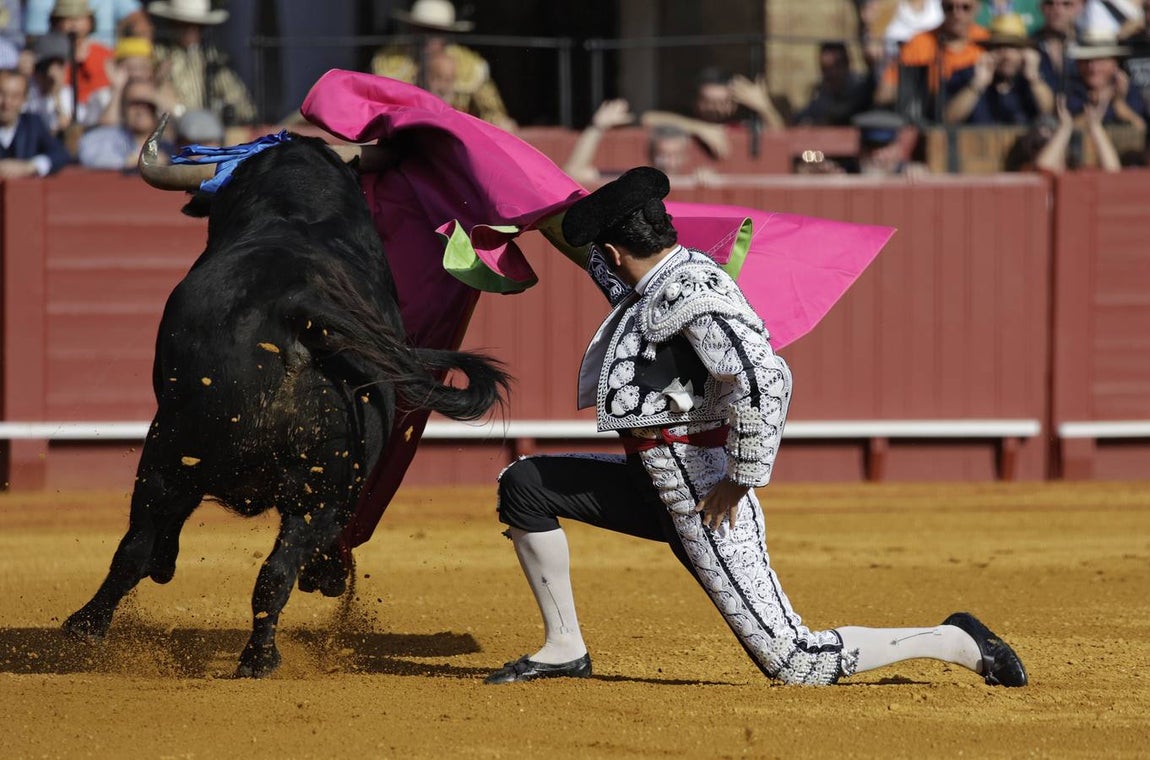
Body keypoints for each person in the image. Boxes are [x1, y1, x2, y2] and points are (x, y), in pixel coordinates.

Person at [483, 166, 1027, 688]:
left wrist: (741, 477)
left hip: (703, 494)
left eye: (605, 256)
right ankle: (564, 647)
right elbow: (590, 256)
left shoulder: (695, 293)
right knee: (525, 484)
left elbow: (767, 378)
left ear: (617, 251)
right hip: (651, 477)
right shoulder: (654, 278)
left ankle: (956, 641)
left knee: (794, 659)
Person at [371, 0, 515, 130]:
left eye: (435, 32)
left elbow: (493, 115)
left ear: (447, 34)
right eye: (421, 30)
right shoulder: (388, 61)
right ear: (411, 29)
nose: (427, 38)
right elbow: (372, 109)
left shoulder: (470, 66)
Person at [148, 0, 256, 126]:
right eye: (184, 25)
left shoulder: (210, 58)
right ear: (173, 25)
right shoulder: (158, 54)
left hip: (207, 131)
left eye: (197, 26)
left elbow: (241, 104)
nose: (191, 31)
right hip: (171, 129)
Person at [564, 98, 717, 186]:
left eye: (675, 155)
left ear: (686, 157)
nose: (669, 163)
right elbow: (574, 173)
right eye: (663, 155)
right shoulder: (631, 181)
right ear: (650, 154)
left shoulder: (696, 180)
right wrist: (596, 128)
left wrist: (707, 184)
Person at [641, 67, 785, 160]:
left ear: (735, 102)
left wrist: (764, 107)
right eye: (708, 102)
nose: (715, 108)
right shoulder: (687, 117)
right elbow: (648, 119)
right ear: (695, 100)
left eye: (723, 102)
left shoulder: (744, 123)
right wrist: (700, 128)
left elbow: (780, 136)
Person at [874, 0, 990, 114]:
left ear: (977, 8)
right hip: (930, 115)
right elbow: (883, 94)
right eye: (949, 7)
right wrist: (920, 81)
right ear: (941, 8)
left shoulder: (988, 42)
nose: (957, 14)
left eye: (965, 7)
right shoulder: (920, 43)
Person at [944, 12, 1055, 123]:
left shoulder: (1039, 75)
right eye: (998, 47)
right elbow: (947, 119)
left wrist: (1033, 79)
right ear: (988, 51)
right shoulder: (965, 76)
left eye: (1013, 47)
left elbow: (1052, 113)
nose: (1006, 56)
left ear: (1025, 52)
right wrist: (977, 84)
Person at [77, 77, 170, 169]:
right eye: (135, 104)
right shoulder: (106, 139)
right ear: (123, 107)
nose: (141, 111)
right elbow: (88, 155)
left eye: (148, 105)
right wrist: (129, 161)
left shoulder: (168, 148)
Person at [1066, 30, 1147, 126]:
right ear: (1077, 63)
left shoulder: (1129, 89)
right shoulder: (1069, 89)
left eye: (1100, 60)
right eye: (1086, 61)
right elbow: (1070, 131)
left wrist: (1118, 103)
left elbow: (1141, 128)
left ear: (1114, 63)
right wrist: (1099, 105)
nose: (1092, 67)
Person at [0, 68, 71, 177]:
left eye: (15, 96)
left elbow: (61, 154)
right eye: (2, 94)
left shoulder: (32, 124)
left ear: (24, 99)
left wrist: (30, 166)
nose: (7, 102)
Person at [793, 41, 874, 125]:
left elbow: (848, 112)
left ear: (847, 65)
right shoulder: (823, 92)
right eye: (825, 69)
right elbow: (806, 114)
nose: (830, 74)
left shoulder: (862, 88)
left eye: (835, 67)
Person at [24, 0, 152, 48]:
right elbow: (34, 43)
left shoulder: (101, 54)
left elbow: (140, 22)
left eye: (78, 18)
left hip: (106, 68)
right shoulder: (38, 3)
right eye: (66, 18)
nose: (73, 24)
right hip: (59, 67)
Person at [1031, 0, 1086, 92]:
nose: (1057, 11)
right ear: (1041, 7)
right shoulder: (1029, 45)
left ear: (1080, 7)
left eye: (1066, 4)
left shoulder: (1089, 46)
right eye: (1049, 3)